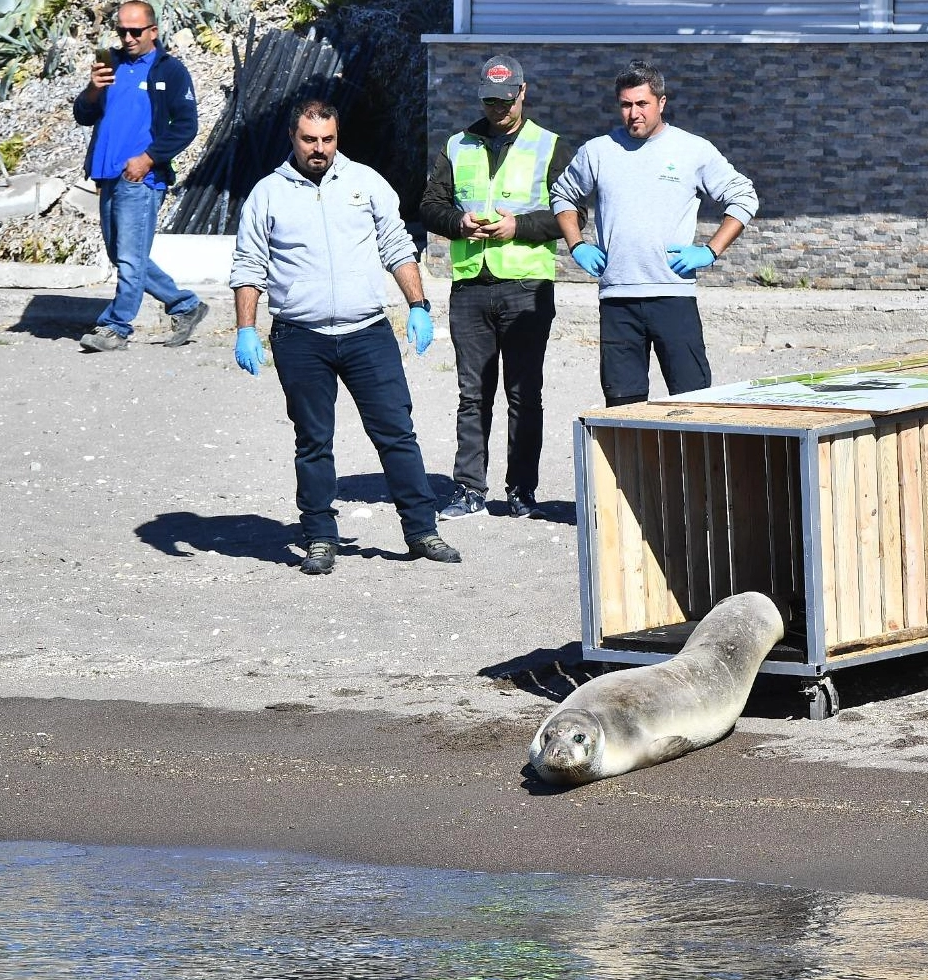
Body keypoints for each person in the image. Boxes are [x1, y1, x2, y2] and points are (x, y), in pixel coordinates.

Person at [229, 100, 460, 574]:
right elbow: (249, 263)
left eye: (328, 139)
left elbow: (396, 244)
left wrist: (417, 306)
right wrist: (245, 328)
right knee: (313, 440)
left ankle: (422, 531)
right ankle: (318, 536)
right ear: (292, 137)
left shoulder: (365, 182)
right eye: (310, 140)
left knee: (397, 434)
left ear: (338, 137)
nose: (319, 149)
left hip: (366, 333)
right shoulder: (267, 194)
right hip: (300, 336)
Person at [419, 55, 576, 521]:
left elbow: (571, 217)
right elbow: (430, 205)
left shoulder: (549, 146)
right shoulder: (457, 145)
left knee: (524, 395)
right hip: (471, 285)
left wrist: (519, 227)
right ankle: (469, 488)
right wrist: (458, 222)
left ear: (523, 93)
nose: (498, 109)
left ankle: (522, 491)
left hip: (526, 286)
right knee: (473, 394)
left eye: (506, 101)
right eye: (490, 100)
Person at [551, 61, 759, 406]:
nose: (634, 113)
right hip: (618, 299)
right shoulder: (598, 152)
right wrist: (577, 245)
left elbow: (744, 196)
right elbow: (562, 195)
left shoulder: (692, 150)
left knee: (694, 402)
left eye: (642, 104)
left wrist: (710, 251)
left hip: (672, 295)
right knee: (623, 407)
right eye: (626, 104)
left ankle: (691, 464)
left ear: (661, 102)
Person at [72, 0, 209, 353]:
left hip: (140, 179)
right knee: (124, 256)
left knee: (130, 259)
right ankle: (185, 305)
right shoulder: (111, 65)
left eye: (136, 31)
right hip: (107, 176)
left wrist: (148, 159)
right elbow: (84, 115)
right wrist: (92, 89)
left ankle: (115, 327)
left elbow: (186, 126)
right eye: (122, 31)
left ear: (153, 31)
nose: (128, 38)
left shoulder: (171, 71)